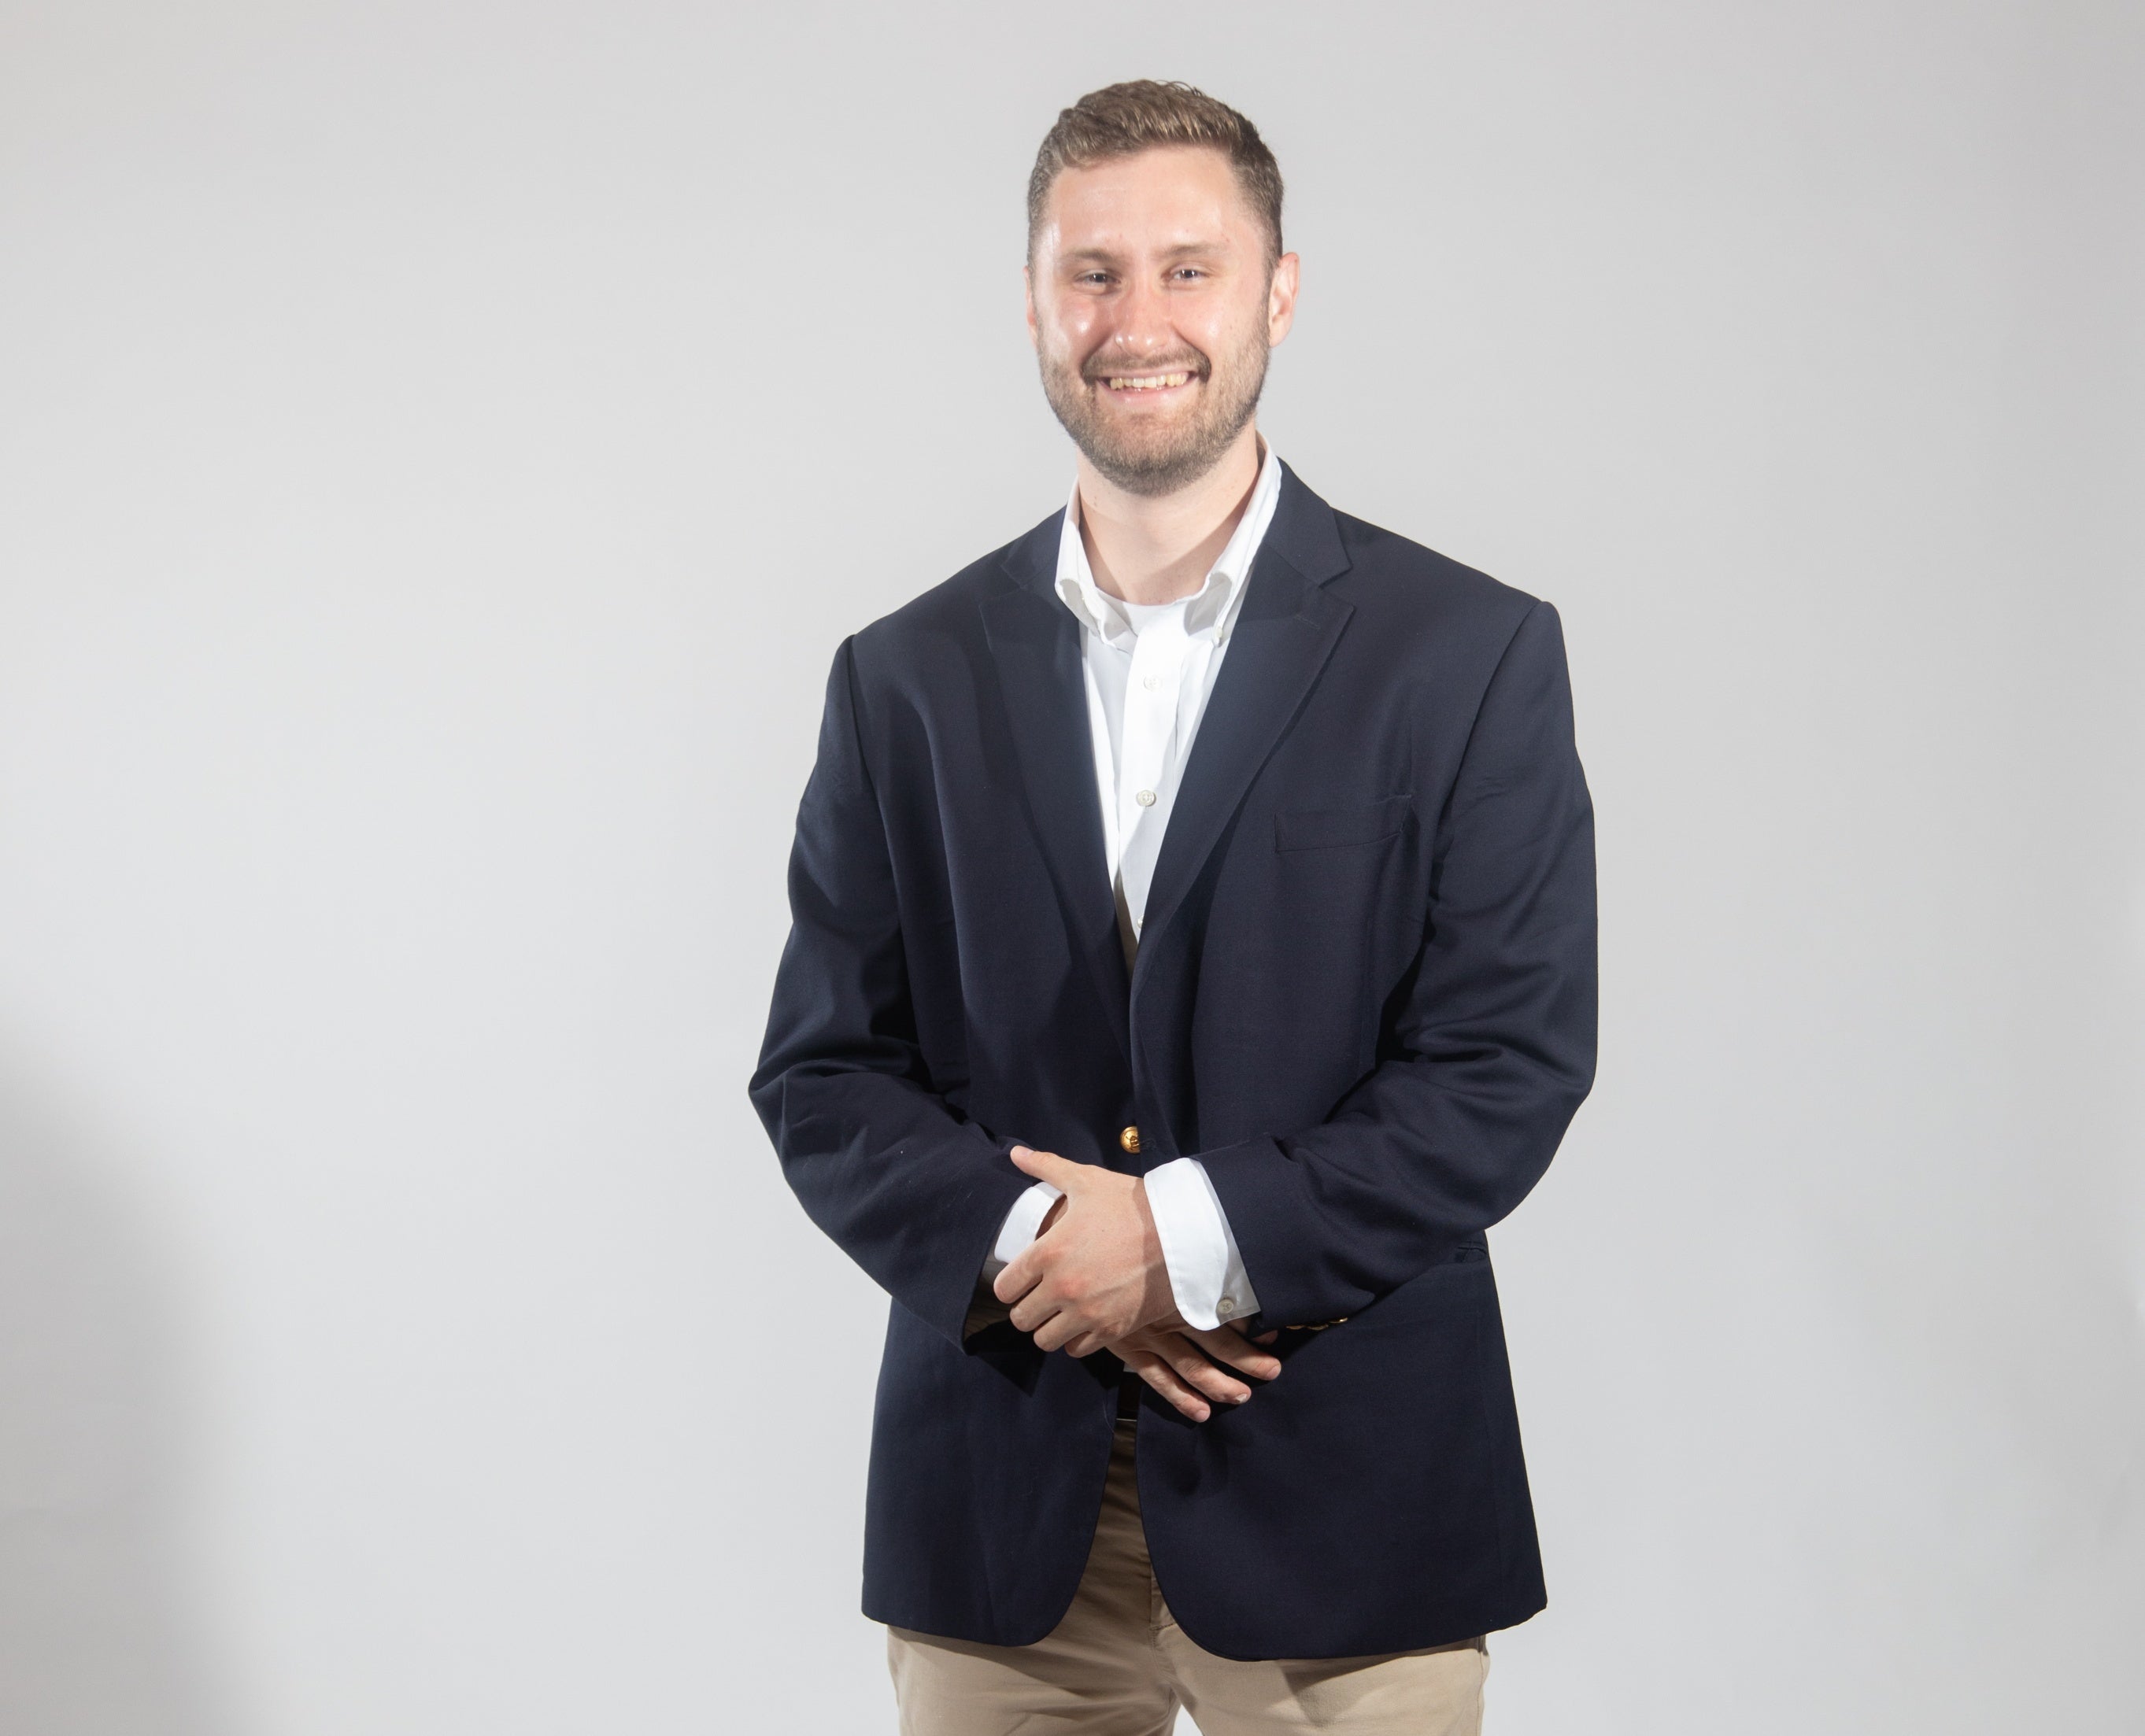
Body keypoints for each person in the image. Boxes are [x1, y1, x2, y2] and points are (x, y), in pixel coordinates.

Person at [750, 79, 1596, 1736]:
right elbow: (823, 1070)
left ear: (1278, 289)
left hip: (1351, 1516)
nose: (1138, 320)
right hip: (1002, 1529)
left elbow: (1503, 1064)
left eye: (1189, 269)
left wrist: (1184, 1243)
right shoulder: (900, 675)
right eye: (1093, 272)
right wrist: (1047, 1250)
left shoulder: (1470, 652)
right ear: (1032, 303)